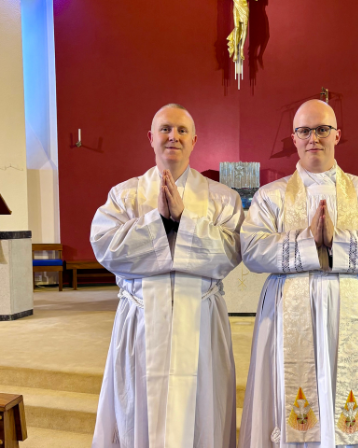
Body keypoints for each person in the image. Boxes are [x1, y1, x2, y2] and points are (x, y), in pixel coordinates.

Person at [238, 100, 358, 448]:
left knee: (344, 385)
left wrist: (336, 240)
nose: (313, 138)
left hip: (348, 309)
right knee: (290, 390)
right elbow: (252, 250)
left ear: (337, 135)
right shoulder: (271, 196)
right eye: (304, 131)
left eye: (322, 129)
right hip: (287, 311)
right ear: (294, 138)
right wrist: (309, 241)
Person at [90, 104, 243, 448]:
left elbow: (231, 252)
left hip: (200, 319)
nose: (173, 136)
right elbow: (106, 248)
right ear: (151, 137)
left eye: (182, 130)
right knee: (137, 406)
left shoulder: (223, 198)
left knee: (203, 405)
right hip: (142, 319)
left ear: (194, 140)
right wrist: (157, 221)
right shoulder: (124, 195)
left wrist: (184, 220)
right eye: (165, 129)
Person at [203, 0, 275, 62]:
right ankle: (236, 51)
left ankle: (241, 50)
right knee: (237, 28)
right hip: (236, 8)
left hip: (244, 8)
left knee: (245, 28)